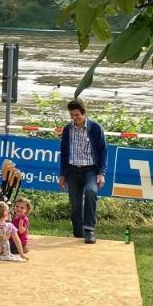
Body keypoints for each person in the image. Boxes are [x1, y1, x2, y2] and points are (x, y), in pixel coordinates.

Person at [58, 97, 107, 244]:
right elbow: (64, 153)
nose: (75, 118)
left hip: (90, 170)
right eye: (72, 115)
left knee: (91, 192)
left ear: (84, 113)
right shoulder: (68, 129)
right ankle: (78, 232)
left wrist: (101, 173)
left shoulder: (95, 128)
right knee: (75, 203)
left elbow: (103, 151)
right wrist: (62, 175)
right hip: (72, 170)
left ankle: (90, 230)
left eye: (77, 115)